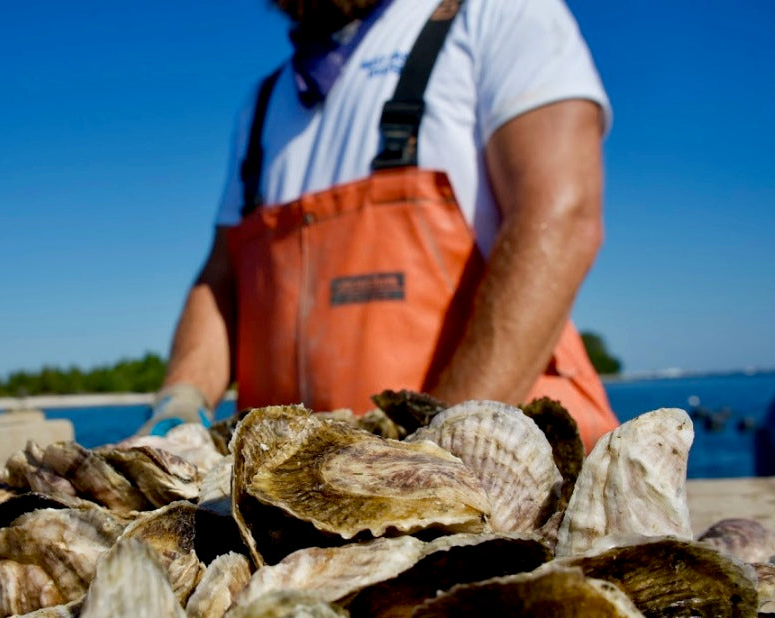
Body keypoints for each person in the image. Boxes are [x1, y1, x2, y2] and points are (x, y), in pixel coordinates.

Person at [140, 0, 620, 451]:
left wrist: (438, 453)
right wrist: (180, 401)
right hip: (294, 503)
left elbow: (561, 214)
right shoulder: (261, 104)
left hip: (500, 484)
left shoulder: (492, 14)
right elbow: (221, 276)